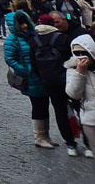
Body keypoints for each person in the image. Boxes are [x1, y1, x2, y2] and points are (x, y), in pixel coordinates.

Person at [7, 8, 58, 148]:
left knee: (45, 105)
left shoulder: (33, 35)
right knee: (38, 106)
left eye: (25, 22)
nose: (24, 26)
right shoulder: (12, 40)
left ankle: (46, 136)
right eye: (21, 23)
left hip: (41, 75)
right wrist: (26, 70)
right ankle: (39, 137)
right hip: (30, 77)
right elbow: (10, 59)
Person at [34, 12, 80, 154]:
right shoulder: (62, 38)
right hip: (68, 79)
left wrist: (43, 78)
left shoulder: (34, 40)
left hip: (50, 82)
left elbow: (34, 64)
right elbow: (73, 59)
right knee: (80, 108)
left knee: (60, 112)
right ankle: (88, 143)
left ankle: (70, 144)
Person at [65, 33, 95, 158]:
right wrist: (79, 73)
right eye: (76, 53)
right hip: (90, 119)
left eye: (84, 52)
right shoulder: (72, 69)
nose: (81, 56)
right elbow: (73, 94)